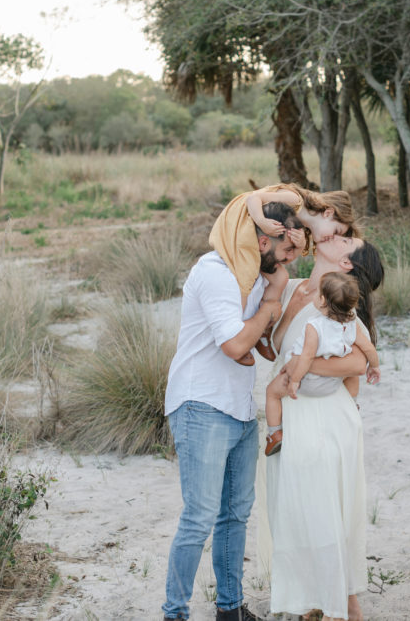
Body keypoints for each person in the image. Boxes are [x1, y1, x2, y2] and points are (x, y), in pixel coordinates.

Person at [162, 202, 302, 621]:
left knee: (235, 514)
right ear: (262, 241)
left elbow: (262, 347)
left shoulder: (256, 276)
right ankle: (175, 614)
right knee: (199, 516)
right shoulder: (216, 272)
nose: (291, 259)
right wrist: (272, 299)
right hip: (200, 404)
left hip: (239, 409)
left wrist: (278, 297)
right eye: (287, 250)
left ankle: (230, 609)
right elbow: (237, 346)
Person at [261, 234, 384, 621]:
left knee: (328, 508)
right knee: (299, 511)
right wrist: (290, 309)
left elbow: (354, 366)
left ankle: (341, 599)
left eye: (346, 239)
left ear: (346, 263)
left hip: (323, 414)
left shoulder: (342, 310)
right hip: (298, 412)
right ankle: (315, 596)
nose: (335, 236)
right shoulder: (297, 289)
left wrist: (301, 369)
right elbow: (278, 344)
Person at [263, 271, 381, 456]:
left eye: (318, 294)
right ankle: (352, 403)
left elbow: (307, 357)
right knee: (351, 374)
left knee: (272, 392)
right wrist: (374, 367)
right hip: (333, 382)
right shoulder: (351, 324)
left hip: (308, 382)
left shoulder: (314, 326)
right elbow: (368, 349)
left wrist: (294, 380)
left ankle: (274, 433)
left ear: (323, 302)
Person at [209, 183, 359, 306]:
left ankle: (263, 317)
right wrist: (262, 222)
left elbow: (284, 257)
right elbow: (253, 198)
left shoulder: (300, 228)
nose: (333, 238)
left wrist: (299, 247)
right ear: (328, 213)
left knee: (280, 278)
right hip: (241, 221)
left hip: (257, 236)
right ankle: (236, 323)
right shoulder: (294, 200)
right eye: (336, 231)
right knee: (246, 276)